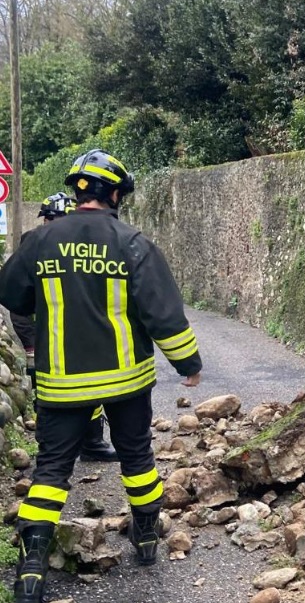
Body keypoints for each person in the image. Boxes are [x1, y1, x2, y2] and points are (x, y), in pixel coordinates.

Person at [0, 150, 202, 603]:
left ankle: (32, 566)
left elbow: (12, 292)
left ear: (76, 192)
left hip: (62, 383)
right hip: (126, 381)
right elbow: (163, 314)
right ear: (114, 194)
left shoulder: (40, 241)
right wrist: (188, 364)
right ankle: (147, 538)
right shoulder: (131, 242)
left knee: (51, 468)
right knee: (137, 458)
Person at [9, 193, 119, 462]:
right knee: (47, 397)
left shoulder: (83, 246)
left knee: (92, 391)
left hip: (79, 336)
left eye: (57, 218)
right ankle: (49, 453)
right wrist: (31, 341)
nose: (52, 223)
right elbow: (17, 301)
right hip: (45, 340)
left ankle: (91, 444)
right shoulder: (33, 244)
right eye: (49, 218)